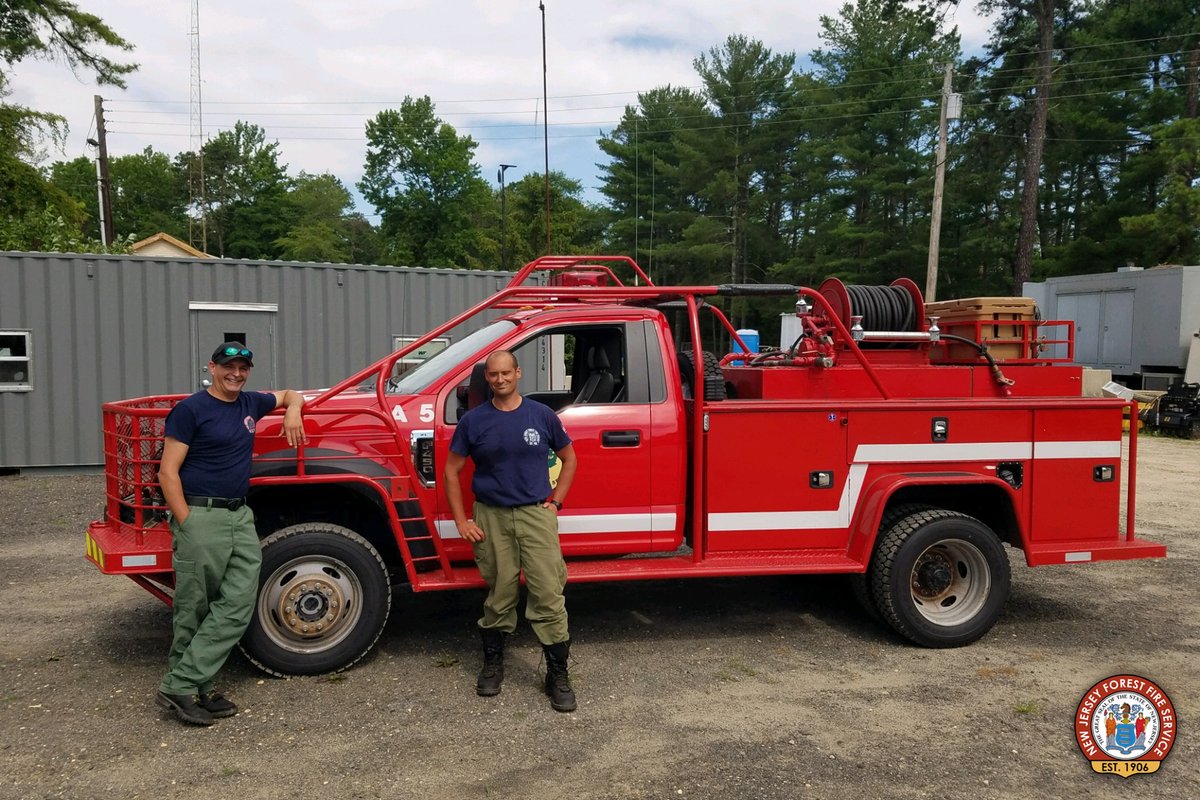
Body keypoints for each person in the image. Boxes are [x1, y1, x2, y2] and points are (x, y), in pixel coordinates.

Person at [154, 341, 307, 726]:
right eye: (228, 366)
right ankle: (194, 688)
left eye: (243, 368)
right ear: (212, 366)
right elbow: (167, 472)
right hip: (201, 516)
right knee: (195, 607)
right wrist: (187, 522)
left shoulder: (249, 404)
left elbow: (292, 393)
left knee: (237, 603)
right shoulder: (190, 410)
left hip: (240, 515)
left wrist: (293, 411)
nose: (235, 374)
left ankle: (184, 682)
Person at [444, 349, 579, 712]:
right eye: (493, 375)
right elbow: (451, 471)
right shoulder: (474, 421)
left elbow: (569, 458)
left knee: (548, 593)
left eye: (506, 373)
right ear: (486, 379)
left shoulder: (542, 415)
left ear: (518, 373)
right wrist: (462, 521)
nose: (500, 379)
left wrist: (557, 503)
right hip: (492, 518)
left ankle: (557, 674)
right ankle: (493, 664)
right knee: (499, 594)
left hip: (536, 515)